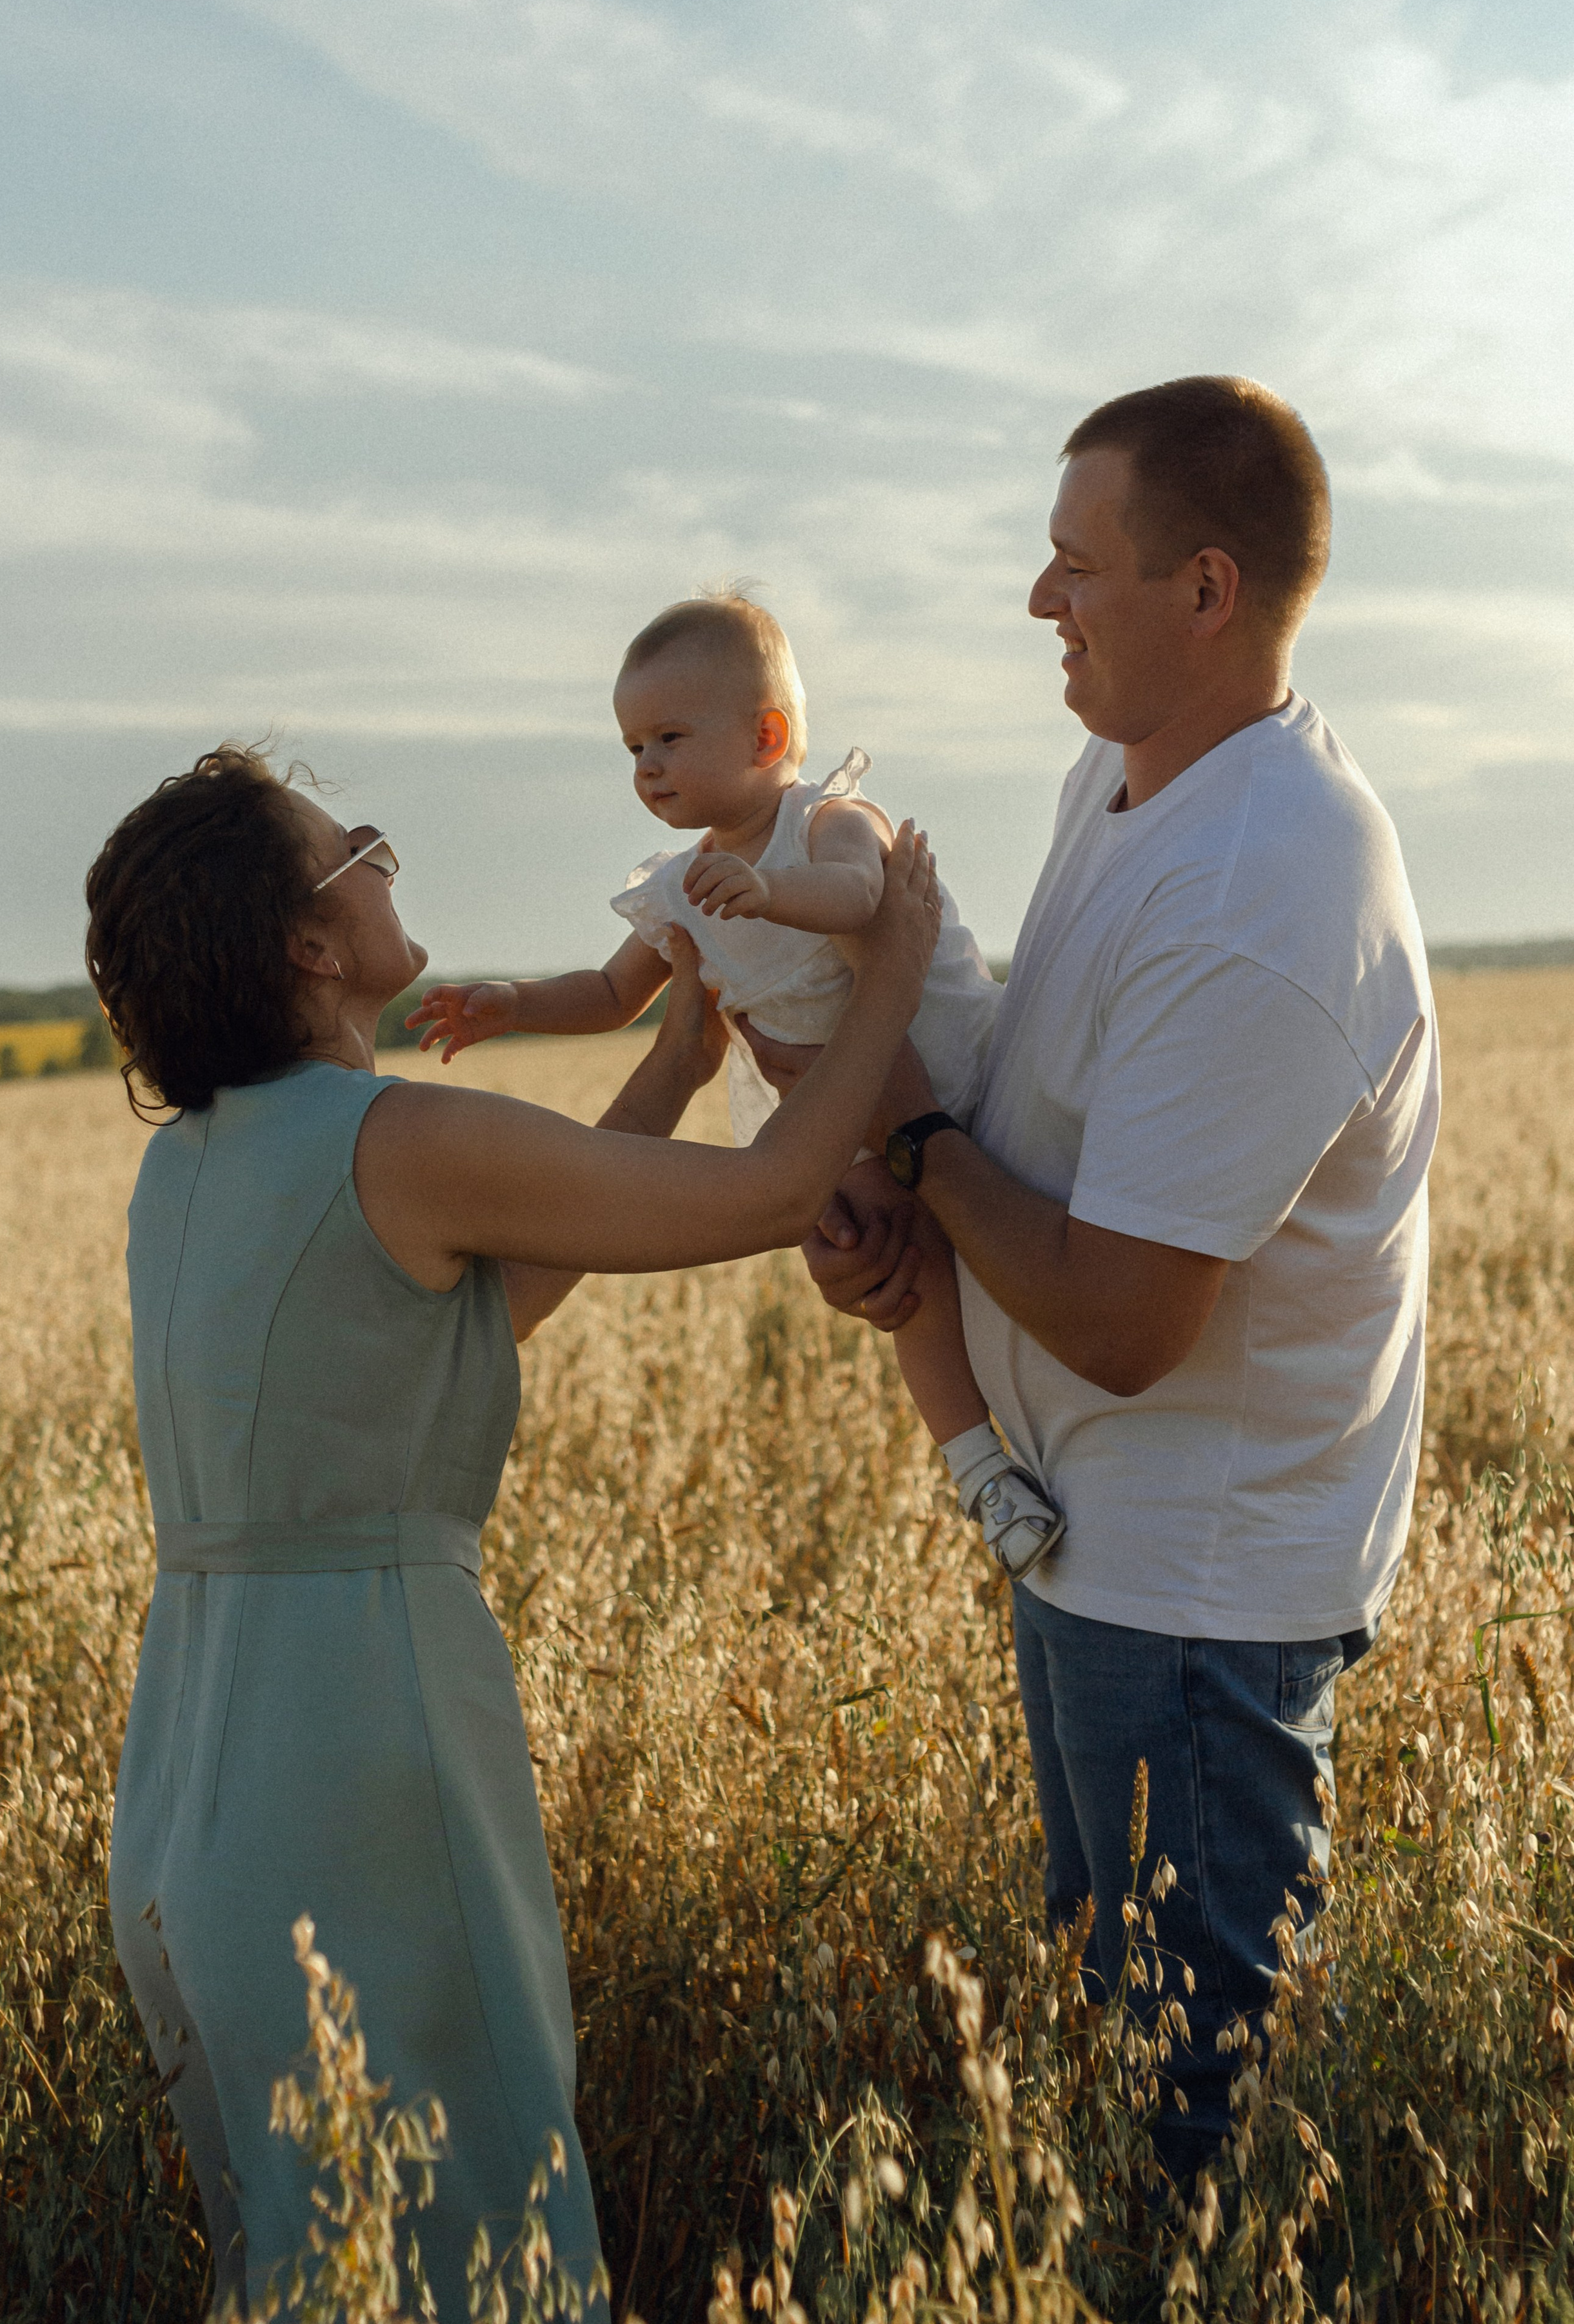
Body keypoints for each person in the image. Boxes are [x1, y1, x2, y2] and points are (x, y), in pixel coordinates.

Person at [86, 744, 940, 2315]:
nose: (388, 862)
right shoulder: (391, 1136)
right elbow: (766, 1195)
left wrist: (678, 1058)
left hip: (198, 1753)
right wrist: (889, 962)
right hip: (367, 1733)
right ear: (310, 945)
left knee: (316, 2250)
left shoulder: (185, 1167)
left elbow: (470, 1310)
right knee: (482, 2228)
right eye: (361, 850)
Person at [752, 375, 1440, 2181]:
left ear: (1205, 591)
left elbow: (1132, 1326)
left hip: (1196, 1598)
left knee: (1177, 2126)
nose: (1038, 602)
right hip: (1095, 1548)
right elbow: (1055, 1125)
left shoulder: (1262, 888)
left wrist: (909, 1131)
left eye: (1077, 566)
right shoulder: (1131, 777)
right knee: (1100, 2032)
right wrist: (922, 1230)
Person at [408, 592, 1062, 1585]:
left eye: (669, 737)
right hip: (833, 1114)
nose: (648, 768)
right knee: (900, 1268)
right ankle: (981, 1471)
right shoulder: (683, 881)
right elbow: (614, 989)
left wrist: (771, 894)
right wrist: (509, 1003)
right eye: (633, 747)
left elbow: (866, 898)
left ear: (769, 734)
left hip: (952, 1069)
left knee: (994, 1233)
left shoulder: (827, 819)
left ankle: (1039, 1440)